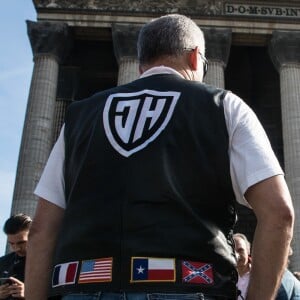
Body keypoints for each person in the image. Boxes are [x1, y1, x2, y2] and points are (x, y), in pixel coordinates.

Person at [25, 14, 294, 300]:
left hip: (86, 287)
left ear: (141, 65)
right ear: (194, 58)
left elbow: (42, 230)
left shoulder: (80, 117)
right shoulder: (223, 106)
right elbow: (279, 213)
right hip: (191, 285)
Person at [0, 213, 32, 299]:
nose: (16, 248)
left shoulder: (49, 261)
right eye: (11, 243)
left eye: (21, 243)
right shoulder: (2, 263)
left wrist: (30, 294)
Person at [233, 233, 252, 299]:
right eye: (233, 251)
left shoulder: (259, 274)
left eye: (240, 250)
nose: (236, 255)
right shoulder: (223, 276)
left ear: (248, 251)